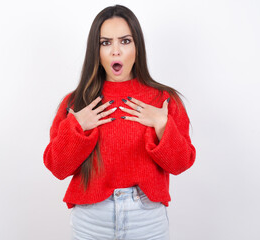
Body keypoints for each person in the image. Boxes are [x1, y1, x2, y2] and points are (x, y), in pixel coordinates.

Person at [43, 4, 196, 240]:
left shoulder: (164, 100)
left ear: (137, 47)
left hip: (147, 220)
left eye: (125, 41)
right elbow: (57, 167)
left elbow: (181, 164)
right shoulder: (75, 102)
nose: (116, 51)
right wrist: (77, 127)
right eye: (105, 43)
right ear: (96, 50)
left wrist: (163, 126)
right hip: (92, 221)